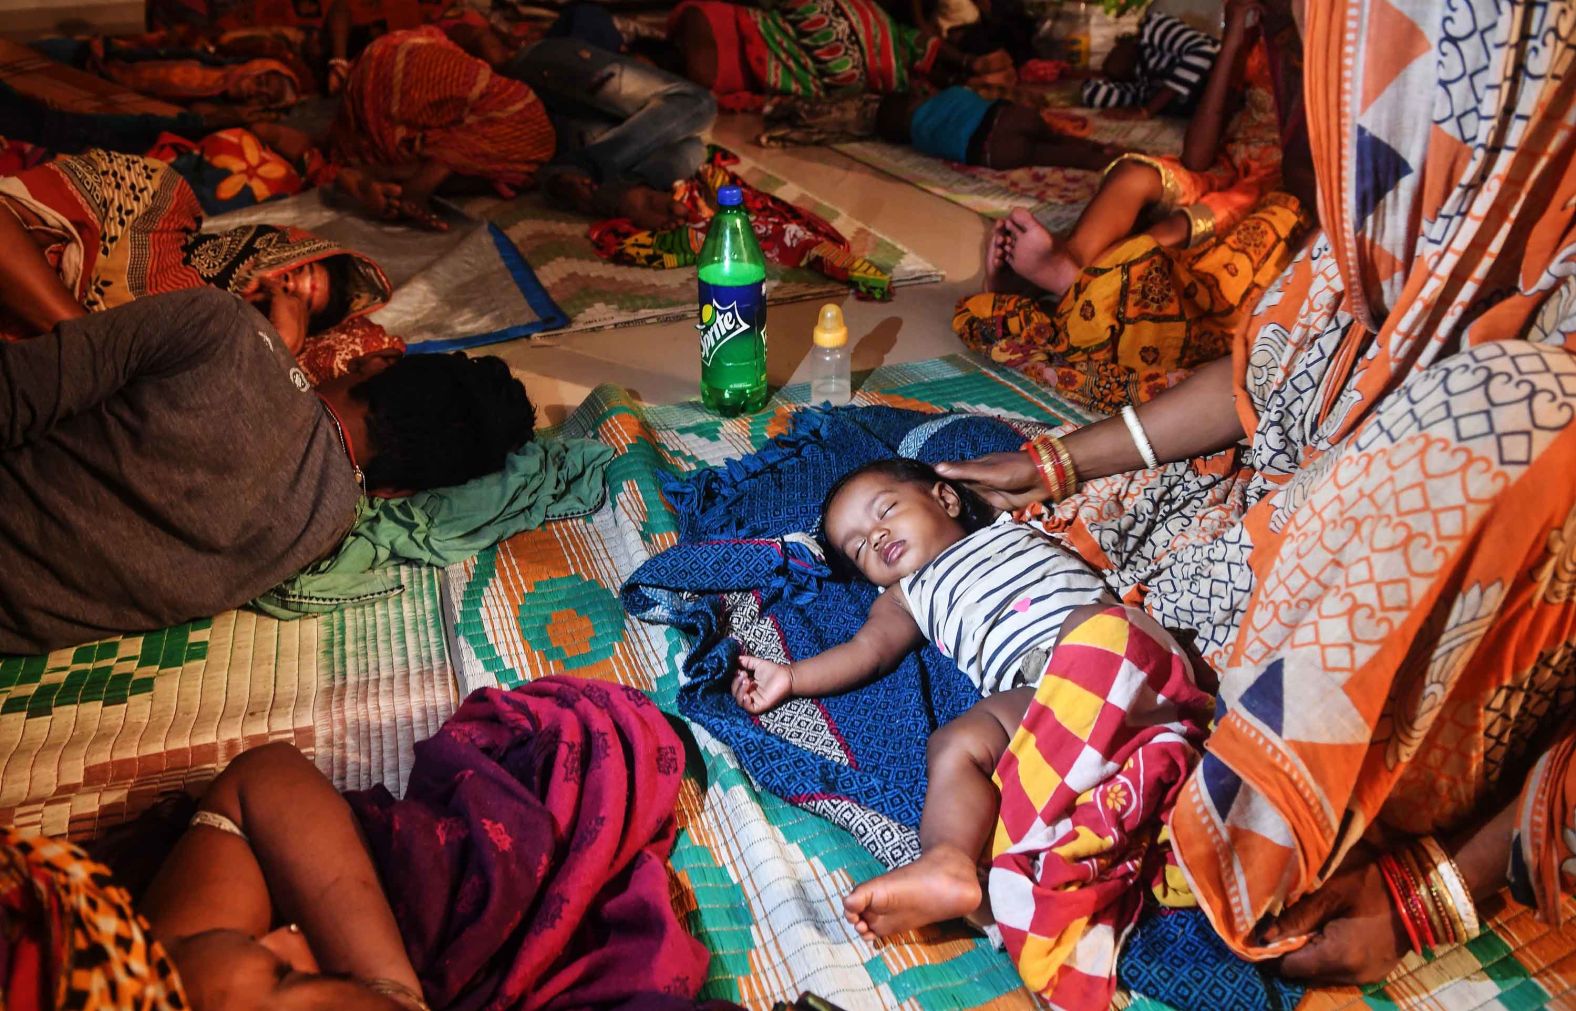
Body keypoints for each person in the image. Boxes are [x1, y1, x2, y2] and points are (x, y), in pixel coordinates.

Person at [934, 0, 1574, 990]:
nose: (1305, 93)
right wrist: (1058, 460)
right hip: (1243, 555)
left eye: (1314, 52)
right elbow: (1253, 384)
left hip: (1384, 739)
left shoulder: (1521, 399)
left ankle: (1249, 802)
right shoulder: (1396, 222)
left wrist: (1436, 893)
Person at [1, 676, 709, 1009]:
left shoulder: (99, 968)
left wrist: (388, 986)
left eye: (285, 974)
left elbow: (261, 785)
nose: (288, 939)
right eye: (295, 978)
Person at [727, 459, 1206, 940]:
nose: (875, 536)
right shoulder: (905, 595)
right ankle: (948, 861)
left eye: (886, 510)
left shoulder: (1010, 527)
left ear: (946, 499)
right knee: (955, 743)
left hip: (1109, 650)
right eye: (858, 546)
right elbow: (867, 652)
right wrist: (790, 677)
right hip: (1040, 695)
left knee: (1087, 627)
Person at [0, 287, 535, 653]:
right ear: (396, 491)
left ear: (375, 362)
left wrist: (272, 346)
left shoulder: (220, 329)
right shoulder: (324, 529)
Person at [988, 0, 1289, 301]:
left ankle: (1064, 283)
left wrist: (1146, 110)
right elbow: (1197, 158)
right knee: (1131, 173)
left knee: (1170, 229)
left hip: (1277, 177)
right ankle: (1063, 266)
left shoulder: (1311, 46)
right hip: (1228, 162)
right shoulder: (1253, 41)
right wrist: (1234, 36)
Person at [0, 148, 390, 351]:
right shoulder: (160, 205)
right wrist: (91, 346)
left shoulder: (213, 352)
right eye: (289, 276)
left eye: (297, 306)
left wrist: (279, 349)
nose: (278, 294)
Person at [329, 25, 556, 227]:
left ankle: (388, 180)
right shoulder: (471, 23)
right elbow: (484, 44)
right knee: (525, 114)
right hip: (403, 63)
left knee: (492, 155)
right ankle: (417, 189)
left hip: (383, 66)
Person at [501, 33, 718, 230]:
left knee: (692, 147)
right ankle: (622, 181)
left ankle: (625, 192)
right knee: (698, 102)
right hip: (538, 61)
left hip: (567, 128)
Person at [875, 86, 1125, 171]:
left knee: (1048, 155)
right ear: (913, 101)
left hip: (991, 150)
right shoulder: (946, 95)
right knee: (1052, 136)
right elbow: (966, 96)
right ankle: (1103, 149)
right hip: (1007, 116)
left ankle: (1108, 162)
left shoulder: (921, 141)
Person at [1080, 10, 1220, 118]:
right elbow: (1093, 93)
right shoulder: (1145, 87)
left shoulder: (1153, 26)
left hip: (1232, 75)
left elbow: (1203, 52)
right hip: (1216, 108)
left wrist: (1148, 110)